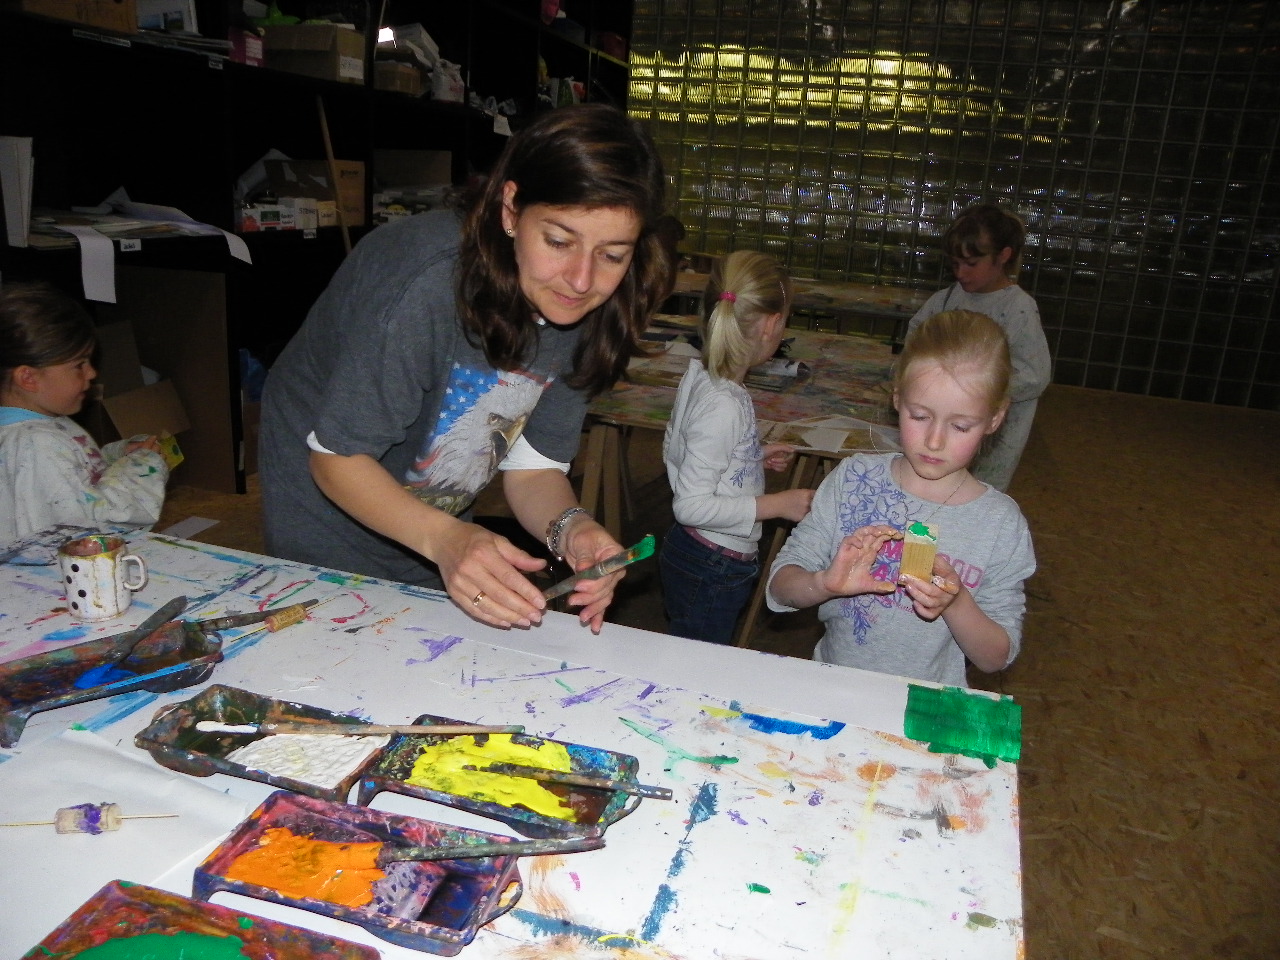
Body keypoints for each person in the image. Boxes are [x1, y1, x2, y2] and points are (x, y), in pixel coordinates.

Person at [259, 104, 672, 633]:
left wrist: (572, 528)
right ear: (511, 209)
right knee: (340, 641)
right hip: (332, 497)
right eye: (558, 241)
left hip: (436, 501)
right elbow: (337, 459)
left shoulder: (587, 304)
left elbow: (532, 468)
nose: (581, 279)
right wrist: (445, 539)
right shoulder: (425, 283)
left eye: (612, 254)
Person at [766, 309, 1035, 686]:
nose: (935, 441)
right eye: (920, 416)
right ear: (897, 398)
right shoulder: (853, 480)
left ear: (994, 418)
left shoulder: (1000, 524)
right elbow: (779, 588)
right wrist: (824, 583)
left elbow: (995, 658)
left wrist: (956, 602)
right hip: (833, 686)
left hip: (925, 706)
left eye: (960, 426)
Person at [660, 251, 815, 644]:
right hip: (713, 563)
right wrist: (777, 505)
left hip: (699, 554)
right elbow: (690, 506)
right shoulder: (723, 404)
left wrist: (749, 456)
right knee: (701, 662)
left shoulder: (703, 375)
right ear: (772, 324)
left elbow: (684, 448)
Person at [0, 281, 168, 545]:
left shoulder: (41, 425)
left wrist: (117, 455)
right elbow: (92, 528)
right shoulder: (36, 445)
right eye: (79, 365)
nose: (91, 373)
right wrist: (141, 467)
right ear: (29, 378)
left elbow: (75, 474)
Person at [906, 202, 1051, 491]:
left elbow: (1035, 376)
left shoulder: (1018, 309)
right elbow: (914, 343)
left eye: (971, 264)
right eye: (955, 264)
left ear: (1003, 256)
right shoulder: (945, 299)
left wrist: (974, 390)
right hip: (940, 425)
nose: (961, 273)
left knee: (974, 494)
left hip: (991, 437)